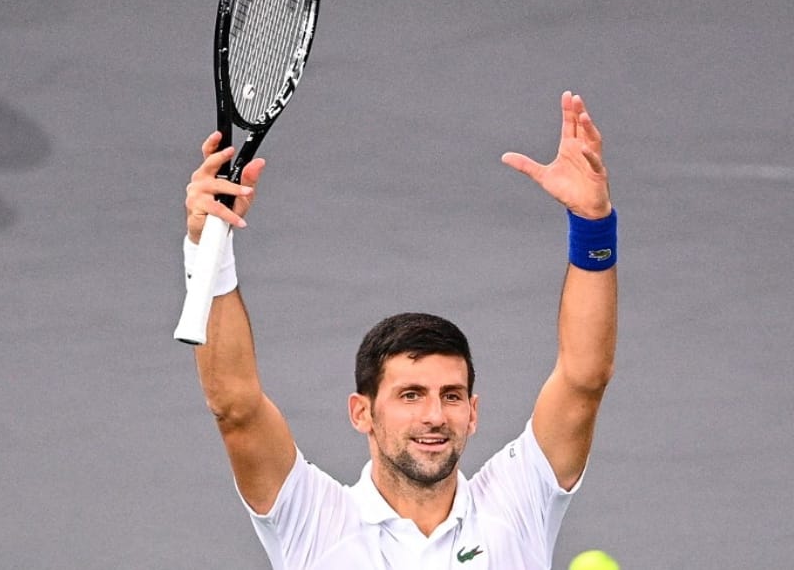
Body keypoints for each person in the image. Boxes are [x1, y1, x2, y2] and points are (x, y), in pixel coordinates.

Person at [182, 90, 618, 569]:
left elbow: (585, 377)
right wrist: (206, 245)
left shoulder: (517, 503)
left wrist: (592, 225)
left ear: (473, 412)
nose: (435, 415)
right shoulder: (315, 518)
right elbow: (236, 407)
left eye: (451, 396)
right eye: (410, 395)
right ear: (362, 412)